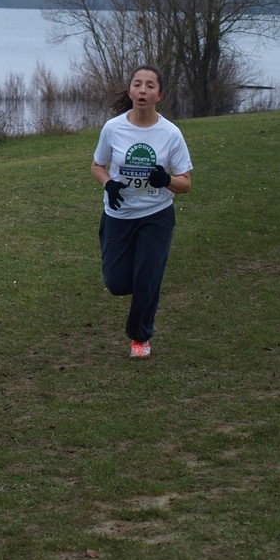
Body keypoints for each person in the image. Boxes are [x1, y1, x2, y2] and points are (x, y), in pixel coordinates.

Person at [90, 65, 193, 359]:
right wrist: (108, 184)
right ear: (130, 91)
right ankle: (136, 282)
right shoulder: (113, 128)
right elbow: (97, 166)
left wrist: (166, 180)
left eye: (150, 85)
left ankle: (140, 336)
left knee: (147, 278)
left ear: (159, 95)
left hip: (156, 216)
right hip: (118, 215)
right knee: (117, 282)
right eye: (137, 84)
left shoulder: (170, 134)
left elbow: (186, 183)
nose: (143, 90)